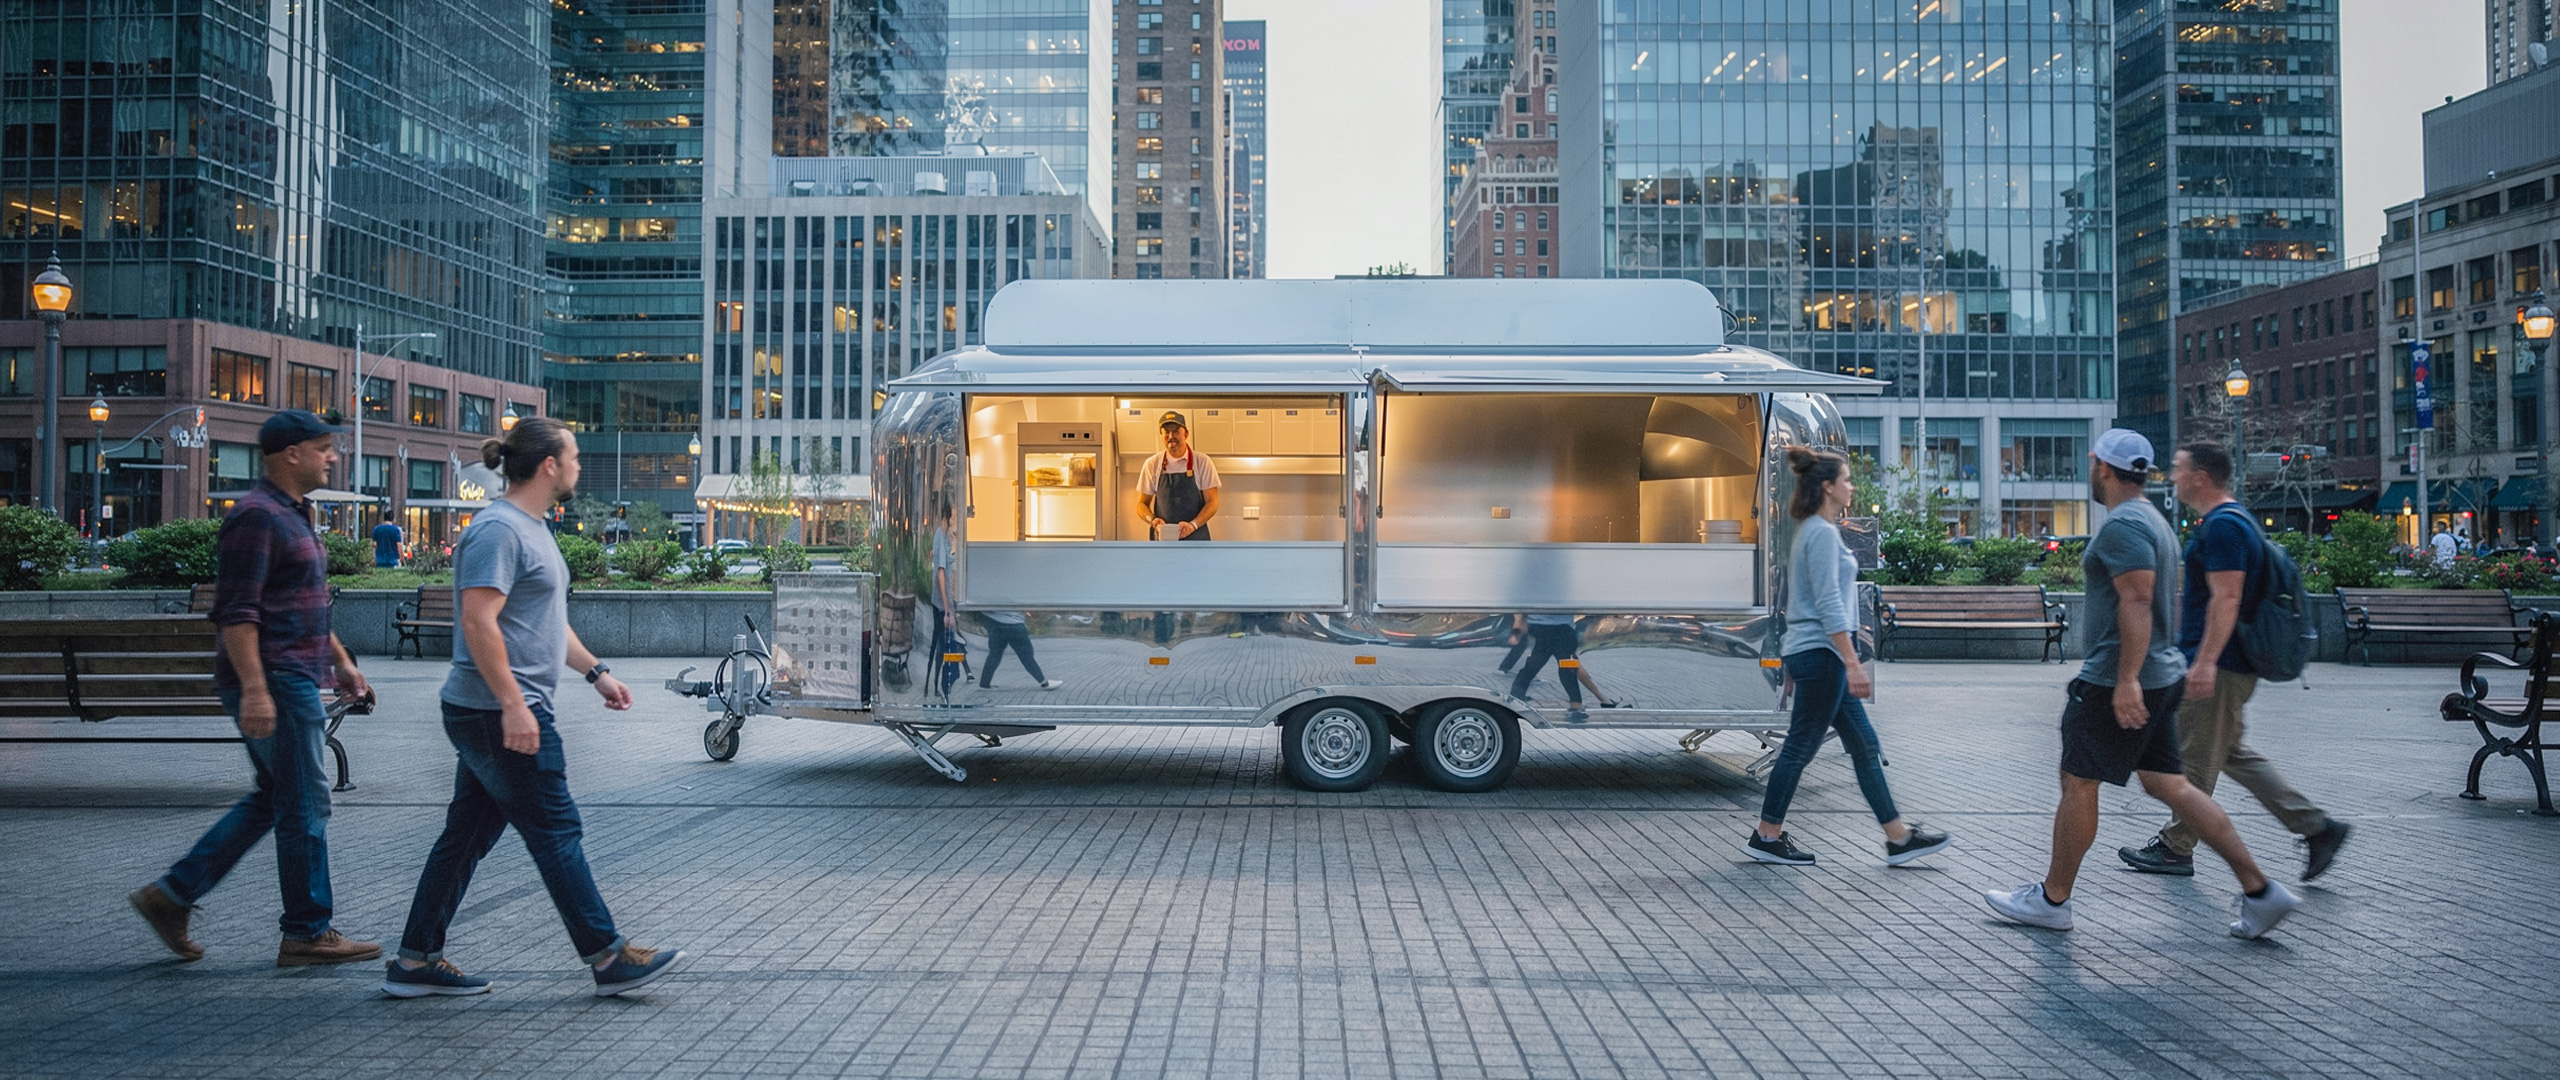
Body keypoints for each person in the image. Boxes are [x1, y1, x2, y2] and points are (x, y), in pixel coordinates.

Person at [381, 417, 684, 999]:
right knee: (555, 829)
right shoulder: (498, 530)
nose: (578, 466)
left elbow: (542, 621)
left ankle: (415, 961)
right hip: (496, 711)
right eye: (573, 456)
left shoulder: (532, 527)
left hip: (493, 709)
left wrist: (596, 672)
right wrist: (513, 706)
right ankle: (608, 956)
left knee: (465, 836)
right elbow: (479, 621)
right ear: (549, 465)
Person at [1985, 429, 2302, 939]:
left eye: (2092, 462)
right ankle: (2261, 891)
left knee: (2079, 782)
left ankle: (2052, 899)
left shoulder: (2124, 525)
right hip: (2159, 675)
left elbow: (2137, 600)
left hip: (2119, 678)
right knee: (2169, 785)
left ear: (2102, 467)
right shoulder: (2153, 520)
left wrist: (2127, 680)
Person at [129, 410, 381, 967]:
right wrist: (255, 690)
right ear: (291, 454)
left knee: (276, 798)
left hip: (294, 674)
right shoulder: (256, 518)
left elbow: (302, 600)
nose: (332, 457)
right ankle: (307, 932)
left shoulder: (295, 513)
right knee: (306, 802)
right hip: (277, 680)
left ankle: (171, 896)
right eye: (323, 448)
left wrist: (340, 661)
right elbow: (237, 613)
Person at [2120, 444, 2350, 879]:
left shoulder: (2224, 526)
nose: (2172, 476)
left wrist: (2205, 662)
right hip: (2231, 663)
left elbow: (2227, 597)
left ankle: (2175, 847)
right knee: (2231, 754)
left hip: (2221, 665)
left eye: (2178, 469)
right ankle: (2317, 828)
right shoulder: (2233, 520)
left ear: (2201, 477)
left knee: (2194, 758)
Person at [1747, 448, 1951, 867]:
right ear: (1828, 487)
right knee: (1801, 745)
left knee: (1863, 744)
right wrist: (1853, 662)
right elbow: (1827, 605)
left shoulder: (1813, 530)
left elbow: (1798, 598)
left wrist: (1797, 657)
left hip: (1815, 654)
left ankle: (1898, 838)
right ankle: (1767, 835)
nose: (1851, 487)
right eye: (1846, 480)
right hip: (1823, 655)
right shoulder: (1820, 534)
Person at [1137, 411, 1220, 542]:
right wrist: (1153, 521)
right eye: (1166, 432)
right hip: (1163, 541)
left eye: (1176, 431)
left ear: (1186, 433)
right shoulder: (1152, 464)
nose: (1171, 436)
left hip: (1196, 540)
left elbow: (1212, 502)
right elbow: (1141, 504)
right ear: (1161, 435)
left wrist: (1193, 525)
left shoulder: (1202, 462)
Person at [979, 611, 1062, 691]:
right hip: (1015, 624)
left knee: (994, 654)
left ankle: (985, 684)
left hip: (995, 624)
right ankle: (1044, 682)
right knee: (1026, 656)